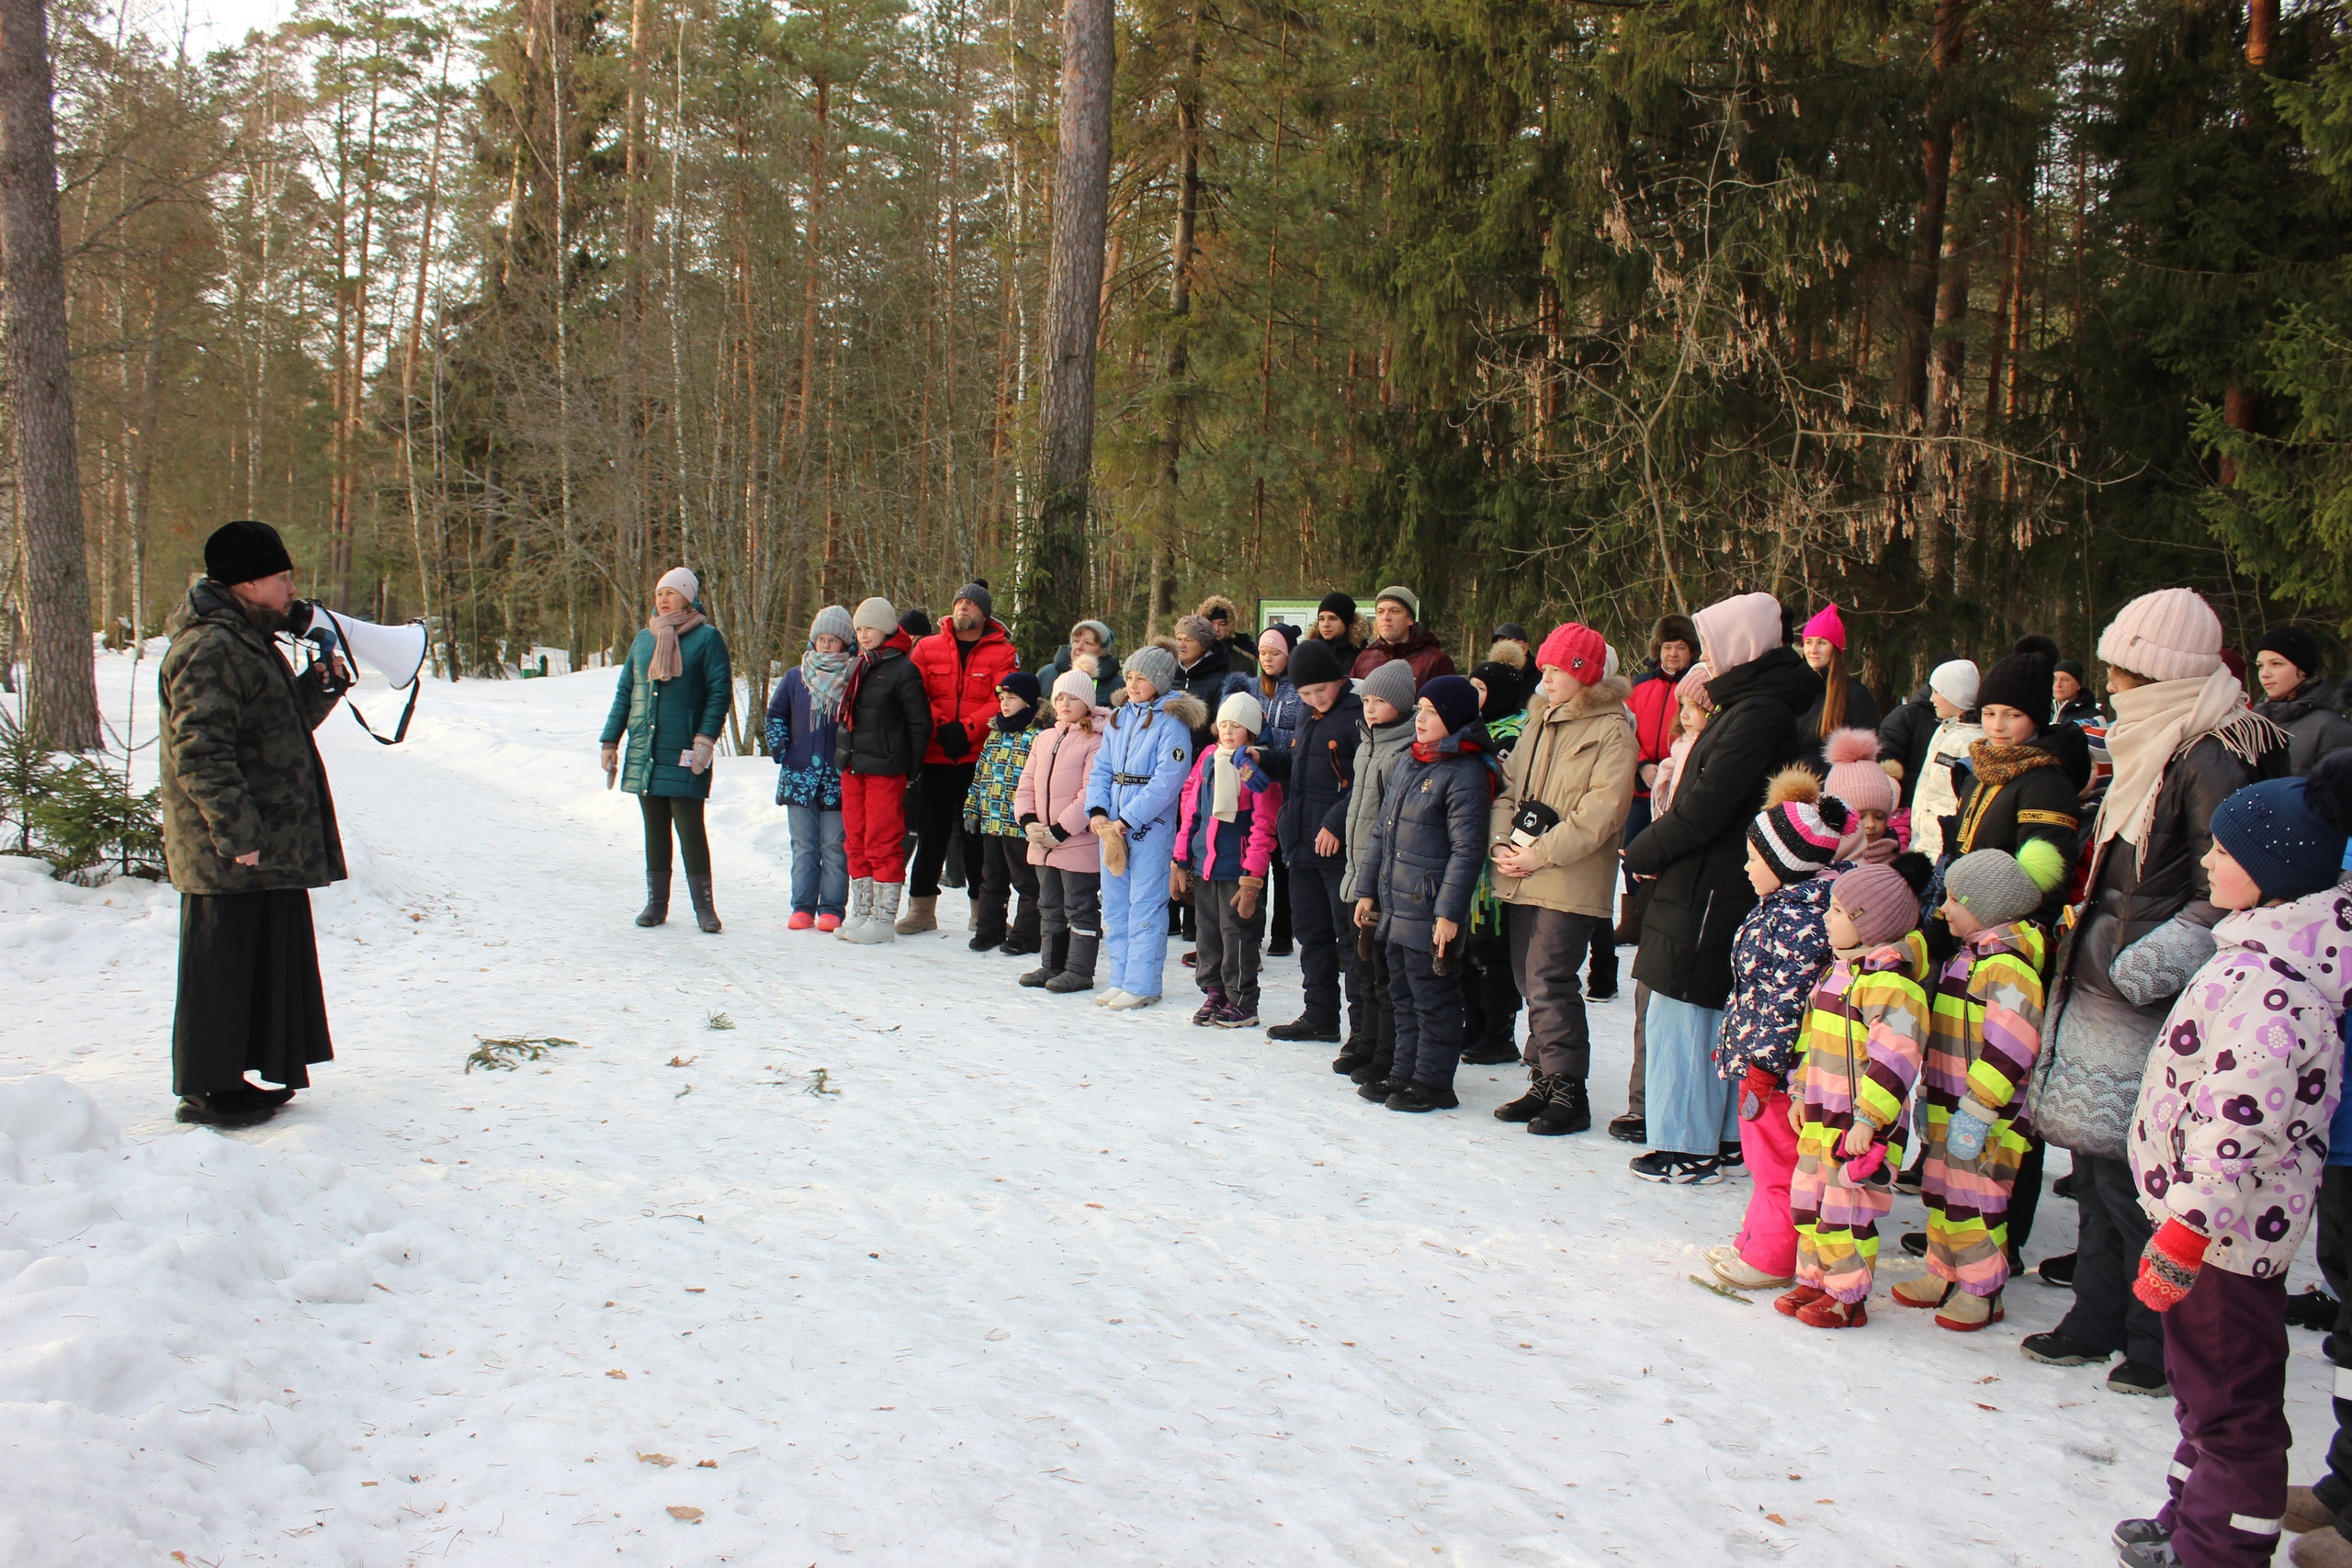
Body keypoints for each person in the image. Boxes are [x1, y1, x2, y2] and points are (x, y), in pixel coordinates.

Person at [2025, 587, 2290, 1397]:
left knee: (2144, 1169)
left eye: (2124, 674)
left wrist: (2155, 958)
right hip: (2108, 970)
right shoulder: (2161, 742)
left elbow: (2231, 877)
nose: (2112, 691)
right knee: (2099, 1159)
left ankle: (2149, 1333)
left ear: (2160, 675)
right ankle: (2099, 1313)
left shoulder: (2210, 749)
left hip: (2151, 986)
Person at [2109, 757, 2352, 1568]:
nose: (2208, 861)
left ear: (2274, 870)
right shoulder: (2256, 953)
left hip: (2220, 1238)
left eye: (2223, 849)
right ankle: (2191, 1515)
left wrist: (2183, 1233)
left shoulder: (2276, 990)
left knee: (2232, 1407)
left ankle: (2221, 1550)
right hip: (2205, 1227)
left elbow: (2236, 1131)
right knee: (2202, 1393)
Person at [1623, 591, 1819, 1182]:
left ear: (1741, 644)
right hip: (1704, 878)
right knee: (1702, 1007)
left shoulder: (1759, 712)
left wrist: (1646, 849)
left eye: (1711, 644)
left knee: (1685, 1008)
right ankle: (1722, 1135)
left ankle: (1686, 1143)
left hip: (1710, 883)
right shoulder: (1752, 703)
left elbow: (1710, 803)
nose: (1703, 657)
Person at [160, 520, 350, 1128]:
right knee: (223, 962)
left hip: (264, 845)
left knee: (257, 957)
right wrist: (236, 833)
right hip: (233, 848)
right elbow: (202, 750)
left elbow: (271, 729)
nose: (292, 588)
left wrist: (316, 691)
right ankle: (207, 1088)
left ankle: (236, 1074)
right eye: (282, 577)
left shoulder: (246, 639)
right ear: (247, 582)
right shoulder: (211, 647)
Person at [1887, 846, 2054, 1331]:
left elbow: (2012, 1045)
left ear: (1986, 907)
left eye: (1954, 900)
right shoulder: (1972, 956)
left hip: (1986, 1116)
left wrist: (1979, 1107)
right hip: (1949, 1103)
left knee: (1976, 1199)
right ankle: (1945, 1271)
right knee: (1944, 1192)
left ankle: (1982, 1291)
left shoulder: (2009, 969)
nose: (1943, 909)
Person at [1486, 622, 1637, 1137]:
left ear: (1583, 674)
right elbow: (1507, 787)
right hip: (1522, 872)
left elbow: (1602, 813)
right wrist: (1501, 843)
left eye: (1555, 670)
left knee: (1551, 979)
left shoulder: (1612, 729)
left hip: (1568, 878)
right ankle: (1543, 1080)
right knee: (1530, 980)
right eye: (1543, 669)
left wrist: (1540, 855)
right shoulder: (1538, 722)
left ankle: (1570, 1089)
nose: (1545, 678)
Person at [1702, 779, 1851, 1291]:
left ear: (1786, 862)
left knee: (1775, 1162)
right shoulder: (1800, 905)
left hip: (1775, 1071)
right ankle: (1756, 1240)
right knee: (1769, 1159)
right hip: (1769, 1061)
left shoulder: (1794, 918)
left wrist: (1763, 1068)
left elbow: (1783, 1004)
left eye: (1753, 859)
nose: (1746, 867)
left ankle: (1769, 1258)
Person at [1777, 855, 1931, 1328]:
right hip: (1821, 1114)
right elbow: (1811, 1040)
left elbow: (1896, 1060)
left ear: (1871, 925)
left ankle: (1847, 1295)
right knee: (1810, 1202)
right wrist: (1800, 1090)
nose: (1826, 917)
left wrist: (1869, 1118)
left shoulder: (1892, 988)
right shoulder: (1837, 973)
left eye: (1840, 912)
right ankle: (1815, 1277)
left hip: (1858, 1125)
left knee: (1847, 1210)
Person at [1354, 675, 1494, 1112]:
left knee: (1433, 995)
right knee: (1403, 993)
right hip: (1397, 903)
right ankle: (1405, 1071)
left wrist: (1449, 912)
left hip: (1431, 907)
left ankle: (1433, 1081)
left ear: (1453, 718)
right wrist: (1367, 890)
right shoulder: (1411, 762)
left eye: (1432, 712)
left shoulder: (1466, 772)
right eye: (1422, 709)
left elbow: (1468, 850)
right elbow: (1382, 831)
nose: (1422, 719)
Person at [1612, 661, 1715, 1145]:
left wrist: (1652, 852)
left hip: (1686, 887)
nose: (1688, 716)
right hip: (1659, 883)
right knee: (1646, 999)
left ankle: (1659, 1108)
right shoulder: (1675, 757)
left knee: (1668, 1004)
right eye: (1685, 707)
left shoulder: (1713, 763)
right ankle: (1641, 1102)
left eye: (1698, 708)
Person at [602, 565, 733, 934]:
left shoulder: (707, 638)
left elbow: (719, 692)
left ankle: (704, 908)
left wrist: (706, 738)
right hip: (647, 747)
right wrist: (611, 741)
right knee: (654, 827)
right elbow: (626, 693)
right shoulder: (644, 639)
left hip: (686, 747)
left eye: (671, 592)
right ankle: (656, 904)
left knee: (690, 827)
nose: (662, 599)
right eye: (659, 592)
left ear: (688, 597)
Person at [1085, 647, 1205, 1010]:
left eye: (1142, 678)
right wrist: (1099, 810)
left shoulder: (1171, 722)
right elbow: (1102, 768)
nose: (1133, 684)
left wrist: (1129, 818)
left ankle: (1142, 982)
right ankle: (1120, 976)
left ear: (1160, 681)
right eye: (1130, 676)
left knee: (1146, 903)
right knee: (1116, 902)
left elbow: (1168, 779)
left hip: (1148, 825)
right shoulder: (1119, 718)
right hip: (1113, 826)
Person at [1259, 638, 1364, 1046]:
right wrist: (1262, 757)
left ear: (1339, 680)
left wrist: (1336, 823)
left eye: (1322, 690)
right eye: (1305, 693)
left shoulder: (1357, 716)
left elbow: (1365, 784)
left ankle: (1363, 1028)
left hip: (1336, 848)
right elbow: (1297, 768)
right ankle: (1320, 1015)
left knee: (1348, 940)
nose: (1316, 699)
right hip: (1301, 841)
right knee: (1311, 934)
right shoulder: (1306, 715)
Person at [1934, 646, 2082, 931]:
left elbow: (2046, 884)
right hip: (1961, 921)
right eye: (1989, 714)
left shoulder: (2047, 783)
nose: (1997, 727)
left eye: (2012, 715)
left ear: (2035, 718)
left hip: (2002, 935)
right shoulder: (1981, 766)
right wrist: (1941, 918)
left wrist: (2025, 941)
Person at [904, 581, 1022, 935]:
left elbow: (1003, 696)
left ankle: (982, 911)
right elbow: (914, 693)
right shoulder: (926, 647)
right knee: (931, 832)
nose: (963, 608)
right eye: (959, 602)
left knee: (977, 838)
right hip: (935, 754)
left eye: (970, 603)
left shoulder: (1003, 652)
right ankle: (921, 909)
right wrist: (942, 727)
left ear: (983, 613)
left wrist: (968, 728)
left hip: (978, 757)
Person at [1173, 692, 1283, 1027]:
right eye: (1223, 724)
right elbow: (1191, 809)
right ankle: (1214, 992)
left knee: (1237, 932)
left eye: (1237, 725)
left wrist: (1253, 877)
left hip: (1238, 868)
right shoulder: (1208, 757)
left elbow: (1265, 823)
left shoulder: (1255, 765)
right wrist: (1180, 858)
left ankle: (1243, 999)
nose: (1229, 731)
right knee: (1208, 934)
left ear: (1250, 731)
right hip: (1205, 864)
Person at [1337, 658, 1419, 1083]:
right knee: (1362, 968)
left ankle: (1386, 1054)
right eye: (1366, 699)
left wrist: (1373, 880)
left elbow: (1390, 824)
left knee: (1384, 975)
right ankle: (1364, 1042)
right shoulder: (1366, 742)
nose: (1369, 708)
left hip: (1384, 882)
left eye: (1380, 701)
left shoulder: (1402, 750)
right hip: (1358, 874)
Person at [833, 597, 931, 943]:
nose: (863, 634)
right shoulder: (856, 665)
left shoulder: (904, 669)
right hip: (853, 766)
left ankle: (883, 918)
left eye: (869, 627)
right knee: (855, 840)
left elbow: (920, 724)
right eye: (858, 629)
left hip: (886, 769)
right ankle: (861, 910)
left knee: (882, 841)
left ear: (888, 628)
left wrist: (911, 768)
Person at [1014, 669, 1108, 993]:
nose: (1065, 703)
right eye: (1060, 697)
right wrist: (1028, 822)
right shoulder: (1044, 738)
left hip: (1075, 841)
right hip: (1042, 840)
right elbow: (1026, 783)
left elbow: (1090, 793)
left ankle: (1080, 969)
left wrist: (1060, 830)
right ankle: (1051, 964)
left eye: (1073, 697)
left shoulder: (1095, 741)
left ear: (1087, 702)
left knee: (1079, 905)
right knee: (1049, 904)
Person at [765, 604, 854, 931]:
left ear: (846, 643)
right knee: (803, 845)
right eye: (822, 639)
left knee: (834, 845)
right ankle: (802, 906)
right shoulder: (794, 678)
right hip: (798, 776)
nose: (827, 646)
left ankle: (831, 908)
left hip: (837, 778)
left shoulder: (854, 678)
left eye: (834, 640)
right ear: (813, 641)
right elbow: (775, 716)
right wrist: (782, 748)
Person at [1462, 661, 1532, 1066]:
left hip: (1501, 848)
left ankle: (1499, 1029)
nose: (1475, 697)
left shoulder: (1515, 734)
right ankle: (1473, 1022)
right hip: (1469, 843)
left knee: (1493, 943)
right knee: (1469, 942)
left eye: (1482, 689)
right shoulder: (1472, 729)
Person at [1623, 615, 1701, 942]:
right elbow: (1625, 729)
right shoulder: (1640, 684)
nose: (1672, 654)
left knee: (1668, 856)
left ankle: (1658, 919)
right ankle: (1633, 920)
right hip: (1641, 788)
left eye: (1680, 647)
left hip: (1678, 783)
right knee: (1632, 853)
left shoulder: (1697, 687)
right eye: (1668, 647)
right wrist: (1641, 766)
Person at [1228, 624, 1304, 957]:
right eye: (1263, 653)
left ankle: (1283, 932)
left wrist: (1274, 741)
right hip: (1255, 779)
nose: (1268, 659)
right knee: (1255, 855)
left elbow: (1303, 737)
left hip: (1288, 781)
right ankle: (1252, 929)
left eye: (1275, 653)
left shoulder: (1300, 688)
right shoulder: (1253, 688)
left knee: (1282, 860)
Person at [963, 671, 1046, 954]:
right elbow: (980, 776)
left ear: (1029, 701)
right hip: (992, 821)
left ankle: (1026, 934)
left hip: (1020, 824)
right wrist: (972, 809)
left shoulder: (1038, 736)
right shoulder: (995, 734)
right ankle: (989, 929)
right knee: (992, 878)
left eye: (1012, 698)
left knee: (1026, 881)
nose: (1005, 704)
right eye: (1002, 698)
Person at [1892, 660, 1984, 862]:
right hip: (1923, 841)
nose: (1932, 699)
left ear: (1956, 695)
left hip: (1943, 847)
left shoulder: (1972, 741)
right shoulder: (1943, 730)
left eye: (1937, 692)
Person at [2253, 623, 2352, 776]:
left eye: (2276, 664)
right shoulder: (2252, 723)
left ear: (2302, 669)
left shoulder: (2332, 727)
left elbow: (2338, 796)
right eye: (2260, 666)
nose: (2264, 674)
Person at [1795, 603, 1881, 752]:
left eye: (1822, 642)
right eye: (1809, 642)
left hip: (1833, 776)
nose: (1813, 650)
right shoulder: (1795, 690)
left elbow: (1864, 756)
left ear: (1835, 649)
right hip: (1790, 775)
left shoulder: (1855, 695)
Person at [1349, 585, 1456, 686]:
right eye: (1380, 612)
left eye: (1394, 611)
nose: (1385, 617)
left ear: (1410, 619)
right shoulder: (1365, 658)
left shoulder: (1435, 661)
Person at [1045, 619, 1125, 710]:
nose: (1079, 647)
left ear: (1102, 651)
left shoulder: (1116, 685)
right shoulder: (1047, 674)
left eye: (1088, 643)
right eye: (1076, 641)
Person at [1196, 594, 1258, 677]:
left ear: (1230, 626)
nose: (1217, 629)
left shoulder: (1244, 663)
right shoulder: (1194, 659)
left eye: (1222, 624)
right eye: (1211, 624)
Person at [1313, 593, 1367, 663]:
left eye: (1333, 619)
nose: (1325, 624)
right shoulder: (1309, 652)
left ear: (1347, 622)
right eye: (1321, 619)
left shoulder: (1363, 656)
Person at [2053, 658, 2102, 729]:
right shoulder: (2040, 710)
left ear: (2078, 685)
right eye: (2055, 679)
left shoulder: (2093, 717)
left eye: (2065, 679)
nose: (2058, 684)